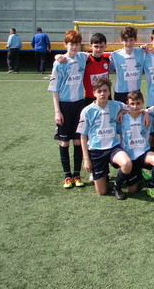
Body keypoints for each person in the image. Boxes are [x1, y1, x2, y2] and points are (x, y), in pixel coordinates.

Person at [78, 77, 133, 200]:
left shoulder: (116, 105)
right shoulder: (87, 111)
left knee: (127, 163)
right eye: (99, 91)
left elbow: (133, 108)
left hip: (113, 147)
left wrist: (122, 112)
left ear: (109, 92)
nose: (102, 93)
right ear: (94, 93)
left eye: (105, 90)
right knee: (101, 192)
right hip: (96, 151)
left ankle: (117, 186)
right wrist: (86, 159)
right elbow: (82, 136)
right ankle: (101, 174)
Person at [48, 29, 87, 189]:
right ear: (65, 44)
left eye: (77, 44)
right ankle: (67, 176)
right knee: (64, 142)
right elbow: (54, 89)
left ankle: (77, 175)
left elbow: (102, 53)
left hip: (79, 104)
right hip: (64, 106)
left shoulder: (83, 58)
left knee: (78, 141)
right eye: (71, 44)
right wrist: (57, 111)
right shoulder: (59, 63)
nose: (75, 47)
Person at [118, 90, 154, 201]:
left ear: (143, 103)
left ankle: (151, 187)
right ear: (127, 104)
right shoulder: (121, 119)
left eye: (138, 103)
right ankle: (138, 175)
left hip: (144, 153)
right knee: (132, 190)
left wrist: (145, 113)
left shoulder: (148, 116)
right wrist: (121, 112)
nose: (135, 106)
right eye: (132, 104)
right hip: (129, 157)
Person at [109, 26, 145, 103]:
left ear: (135, 40)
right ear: (121, 40)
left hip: (136, 92)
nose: (128, 43)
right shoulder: (115, 55)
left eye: (131, 40)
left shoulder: (142, 52)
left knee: (135, 114)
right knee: (120, 114)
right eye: (126, 40)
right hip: (120, 92)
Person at [83, 33, 110, 105]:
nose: (98, 49)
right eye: (96, 46)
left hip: (106, 96)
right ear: (90, 46)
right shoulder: (85, 60)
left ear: (105, 47)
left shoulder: (107, 58)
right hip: (90, 97)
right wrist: (58, 56)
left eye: (101, 47)